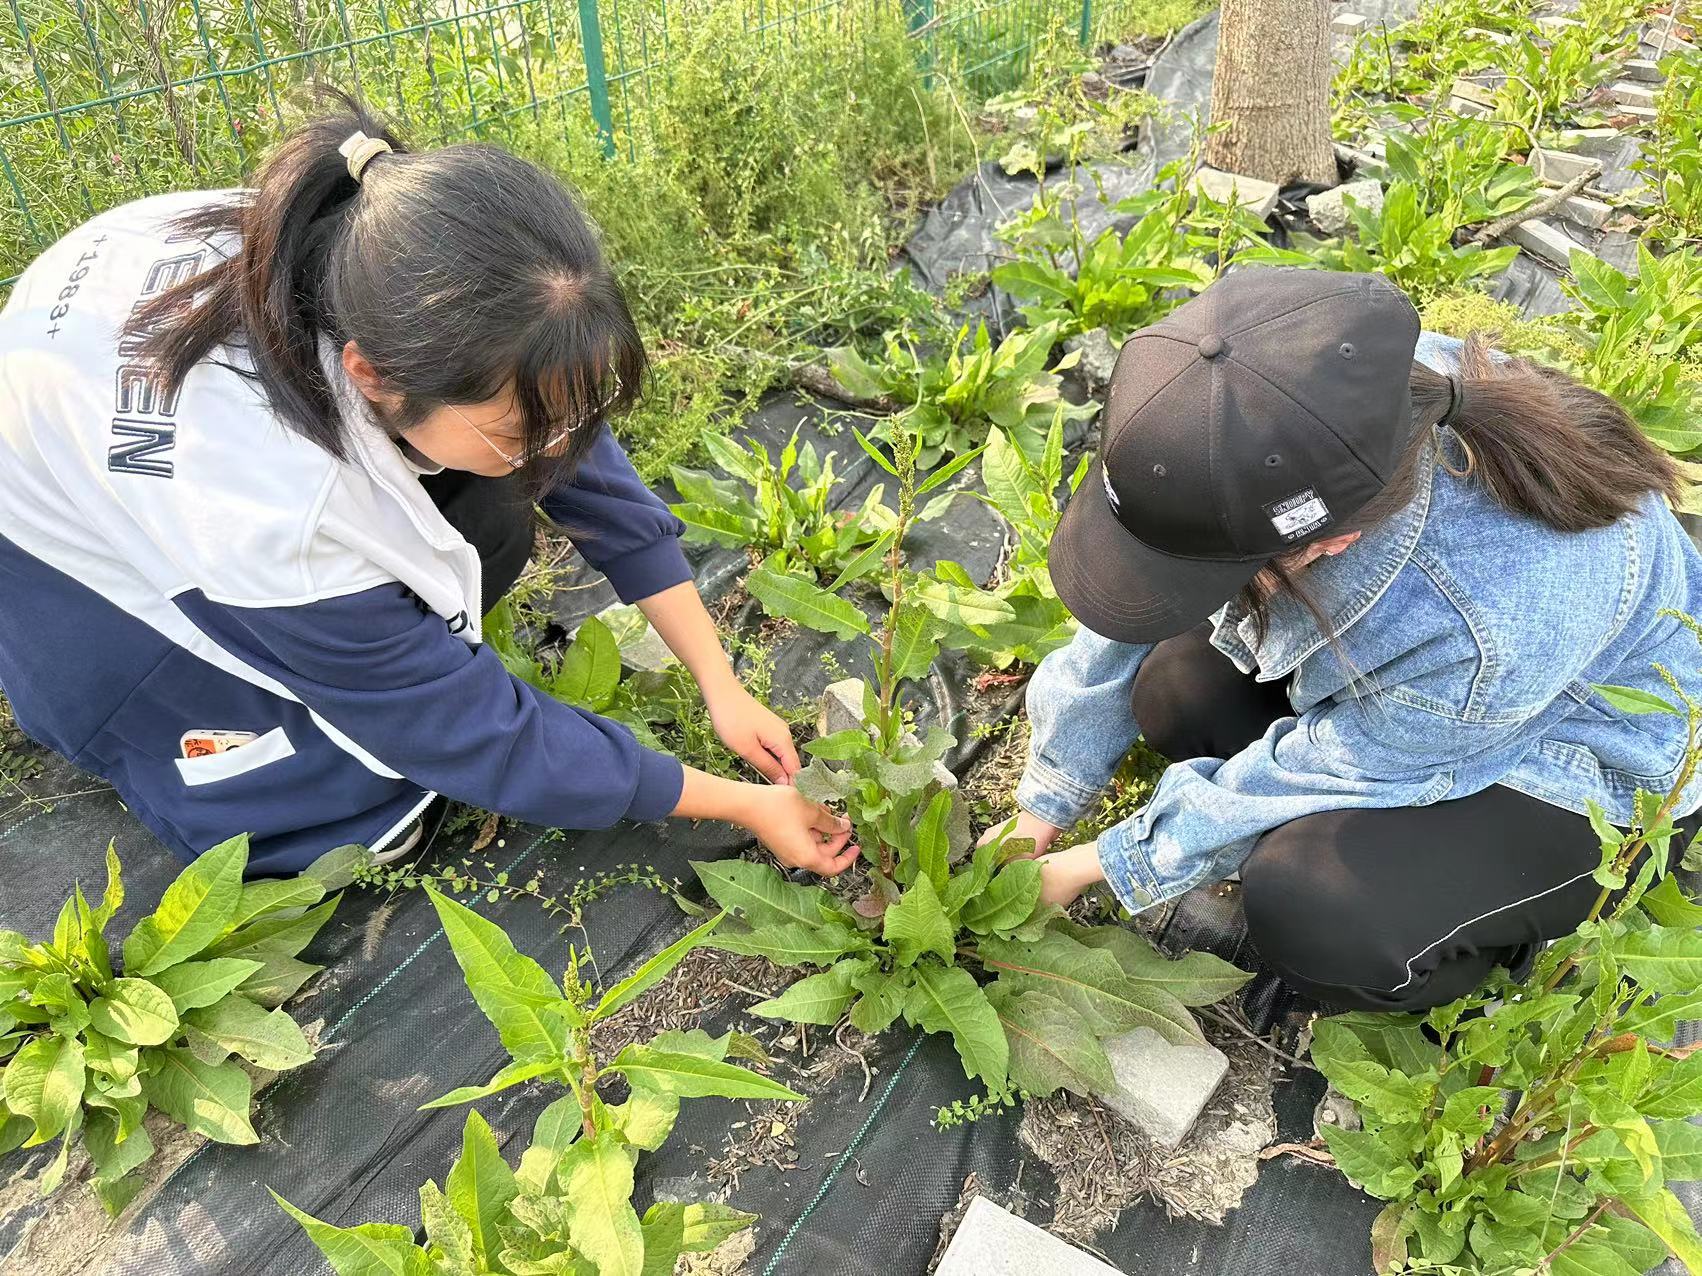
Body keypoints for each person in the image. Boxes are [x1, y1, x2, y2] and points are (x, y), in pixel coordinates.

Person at [0, 100, 859, 880]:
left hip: (114, 414)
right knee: (359, 810)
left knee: (492, 512)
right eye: (522, 431)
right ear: (370, 374)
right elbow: (476, 739)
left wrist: (719, 681)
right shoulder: (272, 512)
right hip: (71, 585)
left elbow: (573, 451)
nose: (558, 447)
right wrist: (744, 804)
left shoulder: (382, 264)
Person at [993, 266, 1702, 1012]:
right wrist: (1044, 806)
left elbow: (1348, 760)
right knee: (1178, 691)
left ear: (1328, 543)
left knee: (1310, 903)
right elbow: (1136, 587)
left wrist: (1096, 864)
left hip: (1582, 760)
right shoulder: (1318, 400)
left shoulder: (1483, 625)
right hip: (1439, 694)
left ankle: (1471, 943)